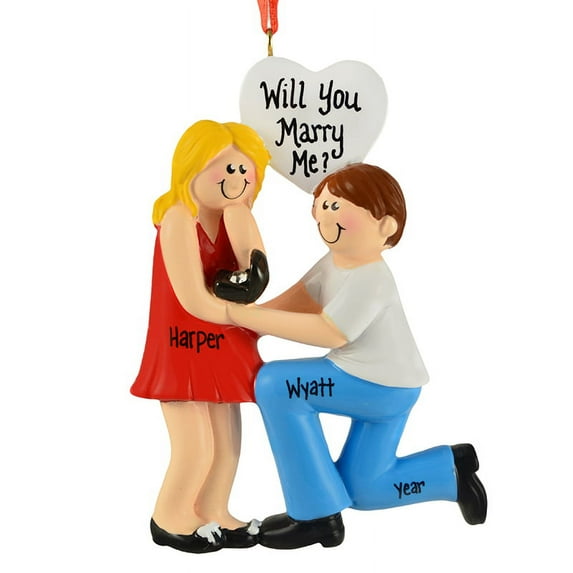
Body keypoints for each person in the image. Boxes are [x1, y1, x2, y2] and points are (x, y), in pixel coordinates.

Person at [227, 163, 487, 550]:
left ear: (386, 226)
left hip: (378, 386)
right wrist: (247, 322)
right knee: (364, 489)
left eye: (337, 206)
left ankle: (316, 515)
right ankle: (450, 472)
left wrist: (244, 318)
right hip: (388, 386)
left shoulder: (371, 277)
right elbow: (300, 299)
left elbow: (330, 331)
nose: (325, 215)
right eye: (323, 205)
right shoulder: (334, 263)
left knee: (277, 385)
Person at [131, 120, 271, 553]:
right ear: (192, 168)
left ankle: (214, 511)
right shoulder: (178, 218)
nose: (237, 178)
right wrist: (245, 314)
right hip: (183, 345)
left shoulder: (234, 218)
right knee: (196, 448)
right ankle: (170, 518)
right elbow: (193, 299)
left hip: (223, 345)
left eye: (245, 170)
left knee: (227, 445)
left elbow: (255, 270)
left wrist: (243, 222)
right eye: (226, 168)